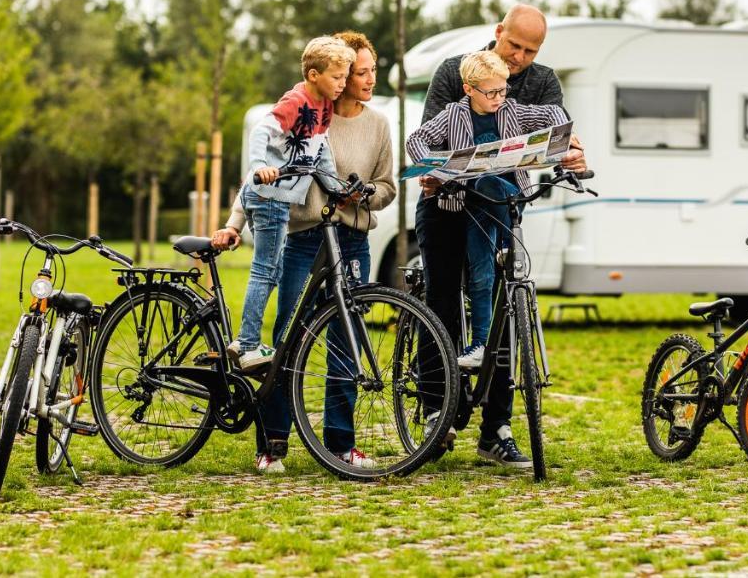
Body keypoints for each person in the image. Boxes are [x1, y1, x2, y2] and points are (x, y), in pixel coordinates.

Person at [414, 4, 587, 470]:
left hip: (498, 211)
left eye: (531, 50)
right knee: (442, 305)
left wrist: (570, 153)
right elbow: (431, 141)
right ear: (497, 33)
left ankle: (497, 430)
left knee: (503, 314)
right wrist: (435, 171)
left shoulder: (544, 81)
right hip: (446, 209)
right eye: (514, 45)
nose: (520, 57)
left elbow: (559, 133)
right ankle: (437, 412)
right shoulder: (456, 72)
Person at [214, 31, 396, 474]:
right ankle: (273, 441)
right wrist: (234, 223)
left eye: (372, 70)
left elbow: (388, 187)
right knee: (287, 337)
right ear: (340, 77)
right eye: (361, 72)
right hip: (304, 238)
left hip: (351, 240)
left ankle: (341, 443)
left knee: (346, 344)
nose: (370, 79)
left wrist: (364, 193)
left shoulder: (378, 125)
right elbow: (265, 178)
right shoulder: (311, 113)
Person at [406, 50, 567, 371]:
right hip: (470, 209)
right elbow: (417, 139)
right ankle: (480, 343)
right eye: (491, 92)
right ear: (469, 89)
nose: (499, 98)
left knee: (495, 186)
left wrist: (563, 141)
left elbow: (553, 114)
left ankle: (507, 246)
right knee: (481, 276)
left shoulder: (512, 110)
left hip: (505, 206)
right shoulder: (453, 114)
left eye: (503, 90)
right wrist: (435, 168)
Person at [225, 36, 355, 373]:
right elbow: (260, 131)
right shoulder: (297, 100)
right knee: (265, 270)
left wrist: (336, 187)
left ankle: (244, 338)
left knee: (272, 272)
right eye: (337, 77)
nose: (343, 84)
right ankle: (250, 346)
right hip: (268, 195)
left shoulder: (324, 106)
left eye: (345, 77)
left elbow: (319, 150)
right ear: (314, 75)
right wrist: (257, 167)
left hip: (279, 200)